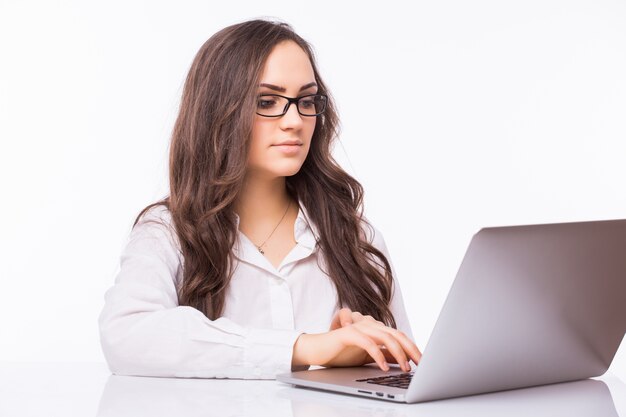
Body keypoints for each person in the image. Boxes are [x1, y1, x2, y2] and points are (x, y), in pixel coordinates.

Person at [98, 18, 422, 379]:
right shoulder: (168, 232)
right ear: (218, 112)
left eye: (307, 100)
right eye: (267, 101)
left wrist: (364, 348)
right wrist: (305, 347)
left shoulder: (355, 236)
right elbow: (127, 335)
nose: (294, 120)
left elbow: (405, 370)